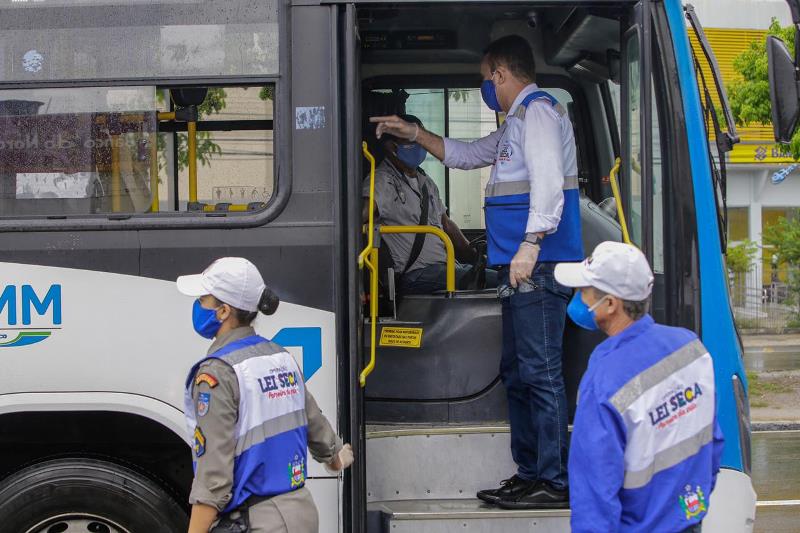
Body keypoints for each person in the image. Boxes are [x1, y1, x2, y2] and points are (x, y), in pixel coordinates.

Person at [371, 35, 582, 508]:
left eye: (485, 79)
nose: (484, 87)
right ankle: (530, 473)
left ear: (500, 75)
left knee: (540, 374)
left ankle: (552, 479)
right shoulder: (515, 124)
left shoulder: (539, 114)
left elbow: (548, 183)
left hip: (538, 265)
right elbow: (466, 154)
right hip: (519, 268)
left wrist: (529, 245)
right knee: (518, 372)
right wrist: (414, 134)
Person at [554, 241, 724, 532]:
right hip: (689, 519)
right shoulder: (690, 348)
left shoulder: (604, 378)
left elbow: (595, 487)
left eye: (584, 291)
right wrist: (688, 510)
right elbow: (713, 442)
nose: (579, 298)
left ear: (610, 304)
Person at [177, 257, 354, 533]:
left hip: (257, 522)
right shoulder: (279, 357)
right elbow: (314, 422)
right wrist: (336, 459)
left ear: (223, 311)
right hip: (302, 512)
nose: (198, 306)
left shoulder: (218, 373)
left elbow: (214, 478)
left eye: (203, 300)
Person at [363, 114, 496, 293]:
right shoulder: (382, 181)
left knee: (499, 275)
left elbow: (446, 224)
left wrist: (476, 257)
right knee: (502, 283)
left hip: (446, 267)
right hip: (416, 274)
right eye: (412, 140)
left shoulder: (425, 181)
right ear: (391, 147)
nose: (420, 145)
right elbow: (363, 214)